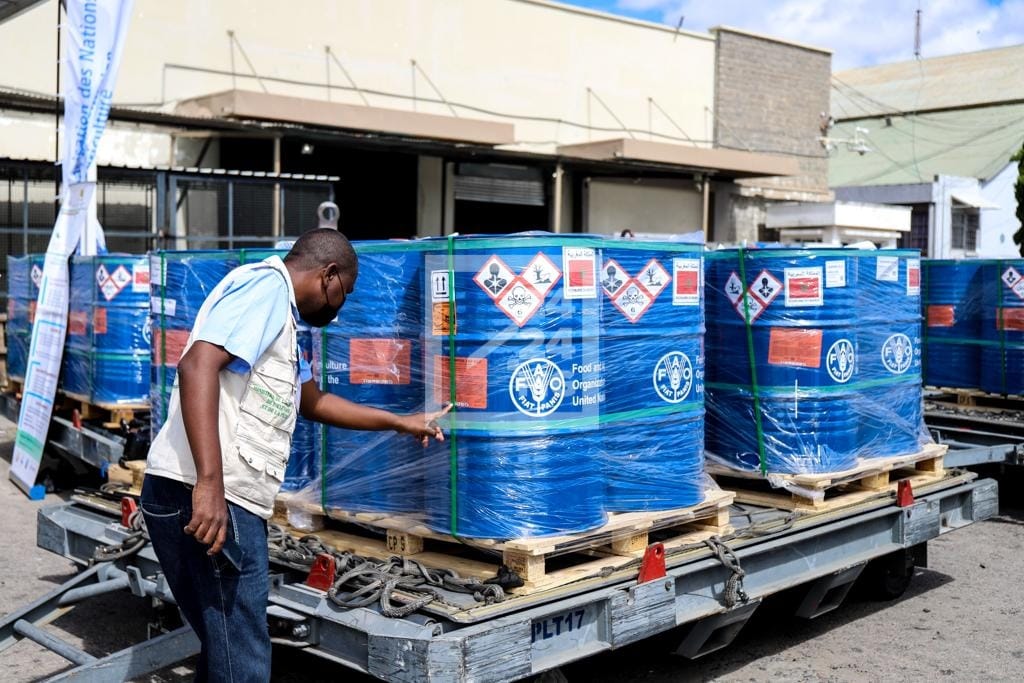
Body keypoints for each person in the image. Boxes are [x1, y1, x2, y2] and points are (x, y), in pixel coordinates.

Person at [140, 229, 450, 682]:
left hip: (200, 493)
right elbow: (197, 365)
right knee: (243, 660)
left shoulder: (282, 320)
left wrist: (400, 421)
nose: (340, 309)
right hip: (212, 497)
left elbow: (314, 402)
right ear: (328, 275)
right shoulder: (267, 288)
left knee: (225, 649)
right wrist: (210, 483)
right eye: (345, 293)